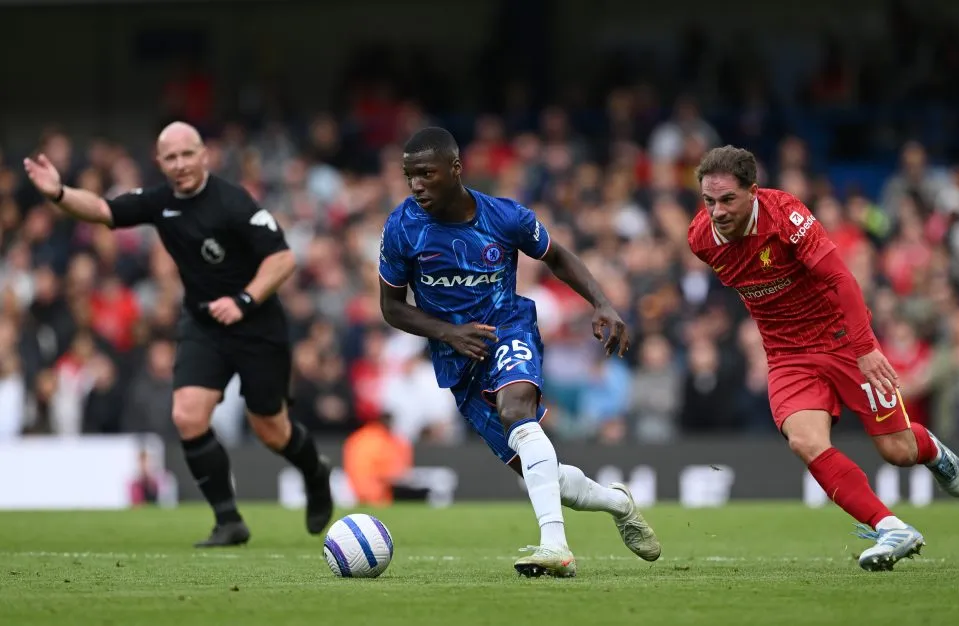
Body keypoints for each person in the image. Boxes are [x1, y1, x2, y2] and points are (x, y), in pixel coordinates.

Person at [23, 122, 333, 547]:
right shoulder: (160, 201)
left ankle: (315, 471)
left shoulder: (233, 201)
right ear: (159, 162)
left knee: (270, 430)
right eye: (171, 157)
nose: (181, 164)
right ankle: (228, 521)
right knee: (187, 415)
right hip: (204, 324)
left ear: (204, 155)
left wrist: (243, 300)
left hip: (256, 325)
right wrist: (58, 192)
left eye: (187, 154)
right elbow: (102, 209)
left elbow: (281, 259)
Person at [378, 127, 661, 577]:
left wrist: (602, 303)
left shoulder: (505, 217)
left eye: (426, 173)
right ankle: (618, 503)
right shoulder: (401, 228)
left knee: (516, 411)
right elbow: (391, 307)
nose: (416, 185)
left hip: (508, 330)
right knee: (543, 473)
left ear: (455, 169)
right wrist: (450, 333)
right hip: (459, 361)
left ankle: (556, 548)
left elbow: (558, 256)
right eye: (409, 175)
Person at [687, 146, 959, 572]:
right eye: (709, 200)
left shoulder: (786, 216)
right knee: (805, 441)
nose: (717, 211)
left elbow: (840, 277)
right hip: (786, 355)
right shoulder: (701, 240)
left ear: (753, 192)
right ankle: (890, 527)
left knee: (897, 450)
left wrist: (865, 348)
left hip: (841, 340)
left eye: (728, 199)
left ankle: (931, 451)